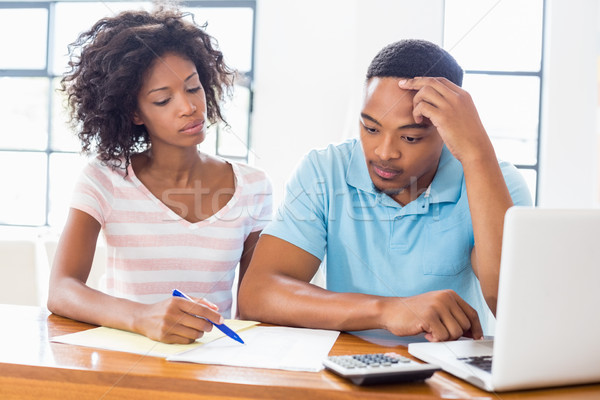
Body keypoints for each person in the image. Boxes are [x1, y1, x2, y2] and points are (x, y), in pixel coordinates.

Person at [238, 39, 532, 341]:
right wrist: (387, 310)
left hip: (450, 377)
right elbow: (258, 294)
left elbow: (511, 305)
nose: (384, 152)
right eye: (371, 129)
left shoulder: (496, 179)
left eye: (410, 138)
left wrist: (477, 154)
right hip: (347, 368)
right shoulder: (323, 170)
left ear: (447, 132)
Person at [47, 7, 272, 344]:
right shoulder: (104, 179)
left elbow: (253, 306)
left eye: (193, 88)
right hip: (124, 366)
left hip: (212, 367)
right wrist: (141, 317)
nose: (188, 107)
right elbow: (62, 289)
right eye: (164, 99)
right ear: (135, 113)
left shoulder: (253, 186)